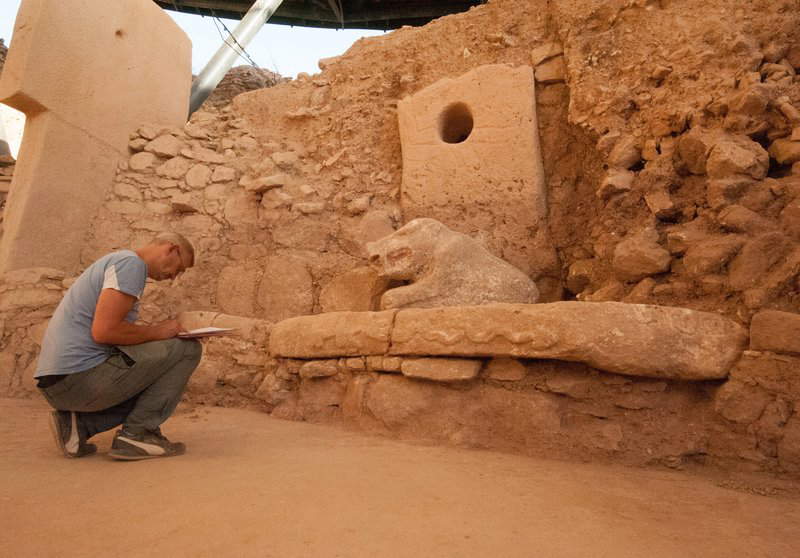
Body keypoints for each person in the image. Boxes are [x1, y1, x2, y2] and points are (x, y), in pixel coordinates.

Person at [35, 232, 202, 461]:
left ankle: (78, 426)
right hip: (77, 379)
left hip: (59, 382)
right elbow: (105, 331)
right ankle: (138, 435)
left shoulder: (121, 263)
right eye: (180, 268)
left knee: (157, 381)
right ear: (171, 249)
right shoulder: (130, 264)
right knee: (187, 350)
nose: (175, 277)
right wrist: (159, 331)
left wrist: (157, 336)